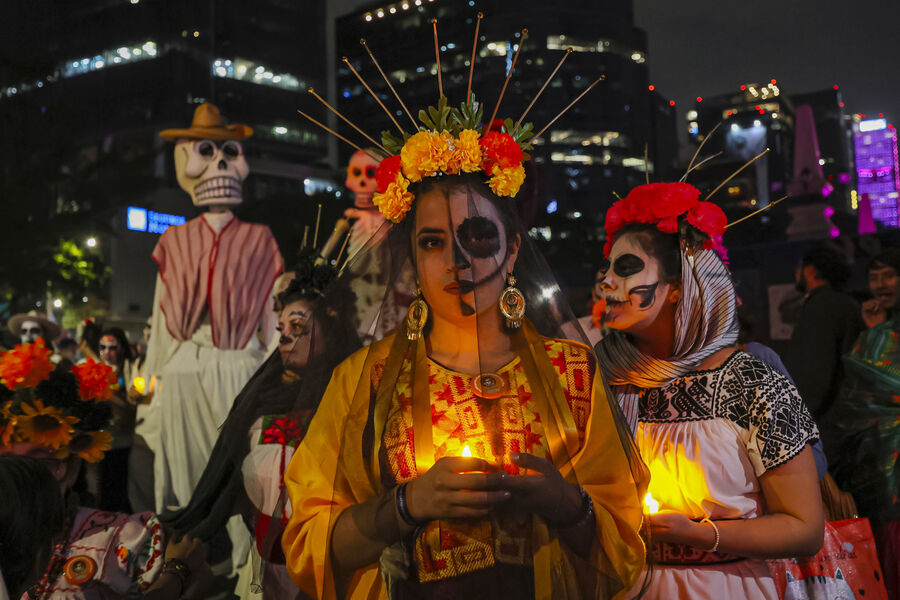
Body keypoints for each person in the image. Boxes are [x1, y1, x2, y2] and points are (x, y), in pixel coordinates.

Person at [283, 94, 647, 597]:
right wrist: (408, 505)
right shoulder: (364, 378)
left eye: (477, 236)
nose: (456, 260)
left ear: (513, 249)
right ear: (411, 257)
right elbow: (310, 544)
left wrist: (563, 502)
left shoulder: (573, 372)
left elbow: (626, 541)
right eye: (432, 242)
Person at [594, 182, 824, 599]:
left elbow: (805, 528)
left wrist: (702, 535)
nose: (606, 282)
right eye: (607, 269)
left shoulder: (752, 383)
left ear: (678, 287)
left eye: (625, 268)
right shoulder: (603, 379)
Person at [162, 251, 360, 598]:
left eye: (297, 328)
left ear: (332, 325)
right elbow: (232, 480)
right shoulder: (263, 399)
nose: (283, 340)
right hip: (271, 568)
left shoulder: (356, 395)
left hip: (337, 567)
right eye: (281, 329)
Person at [0, 341, 212, 598]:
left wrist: (178, 573)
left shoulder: (127, 538)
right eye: (8, 467)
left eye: (39, 465)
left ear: (72, 465)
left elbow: (199, 580)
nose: (21, 480)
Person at [825, 248, 900, 598]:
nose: (881, 284)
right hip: (880, 461)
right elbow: (858, 395)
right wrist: (875, 332)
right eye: (874, 277)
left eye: (890, 275)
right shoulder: (878, 328)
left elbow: (882, 384)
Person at [784, 246, 863, 420]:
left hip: (828, 421)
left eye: (799, 268)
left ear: (810, 271)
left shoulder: (820, 307)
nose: (796, 273)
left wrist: (798, 418)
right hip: (846, 414)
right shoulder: (844, 302)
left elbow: (814, 369)